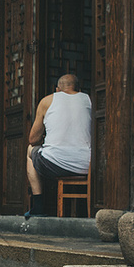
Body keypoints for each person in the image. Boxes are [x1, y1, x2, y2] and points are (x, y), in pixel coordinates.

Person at [25, 74, 91, 218]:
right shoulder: (90, 100)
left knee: (30, 151)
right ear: (79, 89)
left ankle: (38, 206)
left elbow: (33, 139)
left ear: (57, 89)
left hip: (55, 164)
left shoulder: (47, 101)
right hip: (87, 165)